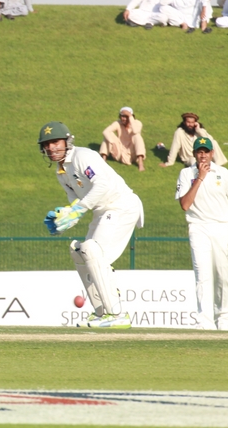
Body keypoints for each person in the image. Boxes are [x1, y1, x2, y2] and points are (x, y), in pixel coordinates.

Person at [39, 121, 143, 329]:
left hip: (120, 206)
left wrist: (80, 208)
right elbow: (77, 205)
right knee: (78, 251)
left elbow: (102, 184)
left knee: (91, 250)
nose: (51, 148)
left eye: (55, 142)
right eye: (47, 144)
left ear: (67, 141)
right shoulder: (61, 172)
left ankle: (117, 314)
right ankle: (101, 312)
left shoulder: (82, 156)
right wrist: (64, 220)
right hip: (102, 211)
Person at [175, 136, 228, 330]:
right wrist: (200, 178)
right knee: (203, 274)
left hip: (222, 226)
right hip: (198, 226)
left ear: (212, 153)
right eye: (199, 151)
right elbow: (185, 204)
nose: (203, 155)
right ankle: (204, 321)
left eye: (206, 151)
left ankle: (223, 319)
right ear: (194, 153)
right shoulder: (185, 174)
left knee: (224, 274)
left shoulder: (224, 174)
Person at [160, 113, 227, 168]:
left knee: (213, 142)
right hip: (190, 157)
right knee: (194, 162)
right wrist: (169, 163)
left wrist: (199, 130)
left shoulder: (199, 130)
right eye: (188, 122)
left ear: (195, 123)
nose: (190, 125)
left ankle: (219, 166)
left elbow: (210, 140)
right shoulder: (179, 132)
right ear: (184, 122)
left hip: (203, 154)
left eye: (192, 122)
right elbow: (175, 147)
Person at [100, 107, 146, 172]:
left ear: (131, 117)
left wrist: (130, 116)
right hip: (120, 153)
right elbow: (105, 131)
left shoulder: (137, 123)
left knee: (137, 136)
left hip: (133, 154)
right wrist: (113, 144)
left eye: (125, 116)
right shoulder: (118, 123)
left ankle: (141, 164)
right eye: (122, 116)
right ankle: (103, 161)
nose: (123, 118)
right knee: (108, 135)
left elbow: (135, 131)